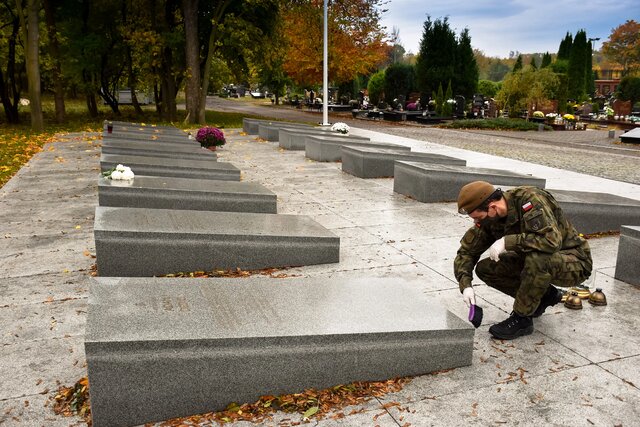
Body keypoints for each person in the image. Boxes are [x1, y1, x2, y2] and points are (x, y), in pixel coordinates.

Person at [454, 181, 593, 340]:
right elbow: (466, 251)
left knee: (538, 258)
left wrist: (507, 242)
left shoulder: (530, 200)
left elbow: (551, 241)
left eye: (478, 217)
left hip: (574, 261)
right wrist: (465, 285)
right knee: (487, 268)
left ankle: (522, 319)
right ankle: (545, 296)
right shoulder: (491, 219)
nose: (476, 222)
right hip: (538, 260)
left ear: (493, 207)